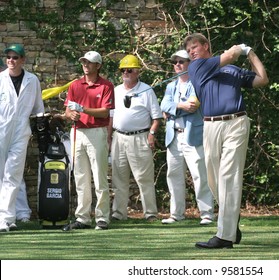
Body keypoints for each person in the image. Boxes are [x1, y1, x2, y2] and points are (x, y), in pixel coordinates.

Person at [183, 33, 269, 249]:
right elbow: (230, 55)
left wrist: (250, 53)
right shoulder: (197, 67)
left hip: (236, 123)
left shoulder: (232, 70)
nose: (191, 52)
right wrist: (238, 48)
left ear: (206, 45)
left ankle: (224, 236)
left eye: (194, 47)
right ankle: (231, 222)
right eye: (189, 50)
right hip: (210, 125)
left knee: (228, 176)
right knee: (213, 179)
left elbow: (262, 79)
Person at [160, 50, 214, 225]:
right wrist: (179, 106)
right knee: (173, 175)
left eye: (181, 61)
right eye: (175, 62)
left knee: (200, 176)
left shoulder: (197, 83)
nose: (177, 65)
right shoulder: (171, 86)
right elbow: (164, 104)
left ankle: (206, 214)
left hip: (193, 136)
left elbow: (193, 106)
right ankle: (176, 214)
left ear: (190, 63)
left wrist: (173, 109)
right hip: (174, 137)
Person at [62, 51, 114, 231]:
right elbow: (68, 111)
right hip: (77, 131)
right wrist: (72, 114)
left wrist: (83, 109)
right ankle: (82, 218)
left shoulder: (106, 86)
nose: (85, 64)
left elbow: (105, 112)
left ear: (98, 65)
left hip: (97, 132)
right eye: (84, 61)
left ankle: (102, 218)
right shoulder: (75, 85)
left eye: (89, 62)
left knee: (100, 177)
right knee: (80, 177)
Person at [108, 54, 162, 221]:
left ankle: (150, 213)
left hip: (140, 137)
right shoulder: (115, 91)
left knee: (144, 178)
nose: (126, 73)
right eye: (123, 70)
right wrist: (109, 138)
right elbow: (110, 116)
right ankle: (119, 213)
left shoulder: (146, 90)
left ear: (137, 71)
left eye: (129, 70)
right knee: (118, 179)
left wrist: (152, 134)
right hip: (118, 137)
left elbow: (156, 117)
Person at [0, 44, 44, 232]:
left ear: (23, 60)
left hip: (21, 131)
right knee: (2, 174)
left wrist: (41, 129)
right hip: (1, 130)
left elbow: (38, 108)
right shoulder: (0, 79)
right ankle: (8, 217)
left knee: (13, 174)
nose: (11, 60)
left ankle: (6, 218)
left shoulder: (32, 80)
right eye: (8, 57)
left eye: (15, 57)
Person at [0, 59, 31, 223]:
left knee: (12, 174)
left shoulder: (28, 81)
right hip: (3, 131)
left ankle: (16, 213)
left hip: (16, 131)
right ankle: (10, 214)